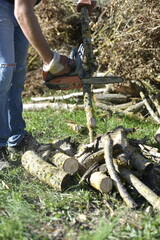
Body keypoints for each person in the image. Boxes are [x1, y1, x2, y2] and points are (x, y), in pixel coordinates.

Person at [0, 0, 96, 161]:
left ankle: (16, 138)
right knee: (4, 71)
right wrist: (51, 59)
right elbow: (22, 11)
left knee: (17, 74)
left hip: (16, 6)